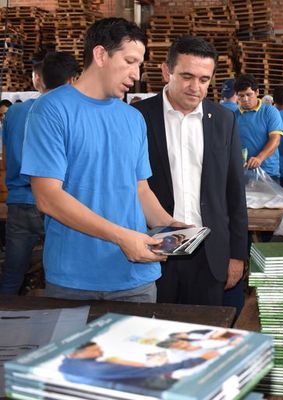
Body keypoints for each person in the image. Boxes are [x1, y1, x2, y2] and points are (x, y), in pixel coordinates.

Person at [21, 18, 185, 302]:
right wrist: (122, 237)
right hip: (75, 279)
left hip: (136, 279)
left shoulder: (133, 118)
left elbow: (140, 190)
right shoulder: (51, 111)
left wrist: (169, 225)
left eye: (140, 64)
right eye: (130, 61)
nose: (136, 74)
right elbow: (47, 197)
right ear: (100, 55)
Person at [133, 36, 247, 306]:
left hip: (209, 254)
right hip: (154, 251)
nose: (195, 87)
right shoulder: (138, 117)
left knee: (203, 338)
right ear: (166, 71)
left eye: (204, 79)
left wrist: (237, 255)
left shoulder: (223, 120)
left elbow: (234, 190)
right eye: (186, 76)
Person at [0, 52, 79, 294]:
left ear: (38, 80)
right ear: (73, 80)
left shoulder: (14, 112)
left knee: (13, 272)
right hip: (57, 202)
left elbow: (5, 157)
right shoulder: (69, 113)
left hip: (18, 202)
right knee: (62, 271)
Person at [59, 342, 218, 394]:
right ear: (77, 352)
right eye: (95, 349)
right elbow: (148, 371)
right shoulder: (95, 368)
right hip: (141, 388)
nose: (100, 351)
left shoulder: (66, 367)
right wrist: (199, 360)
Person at [234, 74, 283, 182]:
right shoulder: (234, 116)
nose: (245, 99)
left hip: (268, 173)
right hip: (243, 173)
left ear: (257, 92)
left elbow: (275, 139)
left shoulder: (270, 112)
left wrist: (259, 158)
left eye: (249, 94)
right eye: (241, 96)